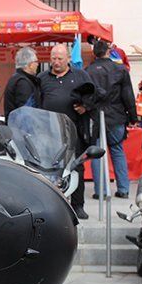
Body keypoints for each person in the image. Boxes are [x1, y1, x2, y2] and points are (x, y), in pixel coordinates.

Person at [37, 43, 93, 219]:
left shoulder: (80, 76)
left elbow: (94, 96)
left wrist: (85, 106)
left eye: (60, 58)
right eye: (53, 58)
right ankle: (51, 204)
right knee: (47, 169)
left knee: (76, 167)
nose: (56, 62)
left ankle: (78, 205)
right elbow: (36, 102)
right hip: (48, 132)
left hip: (73, 131)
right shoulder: (42, 78)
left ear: (68, 58)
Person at [86, 41, 138, 199]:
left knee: (96, 153)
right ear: (108, 52)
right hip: (116, 115)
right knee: (117, 150)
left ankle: (100, 191)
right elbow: (128, 95)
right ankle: (123, 189)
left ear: (94, 53)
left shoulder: (87, 71)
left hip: (95, 116)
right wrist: (133, 117)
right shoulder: (120, 70)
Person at [3, 47, 40, 119]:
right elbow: (26, 112)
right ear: (30, 64)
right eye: (36, 62)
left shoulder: (17, 78)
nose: (37, 64)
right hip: (21, 128)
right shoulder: (23, 83)